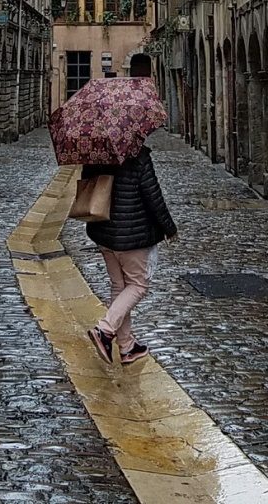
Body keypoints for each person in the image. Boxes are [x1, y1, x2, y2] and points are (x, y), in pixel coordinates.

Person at [83, 64, 177, 366]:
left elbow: (88, 186)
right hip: (131, 235)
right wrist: (169, 228)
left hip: (103, 232)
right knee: (138, 286)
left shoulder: (94, 152)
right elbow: (153, 197)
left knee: (118, 286)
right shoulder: (139, 157)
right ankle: (105, 329)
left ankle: (127, 347)